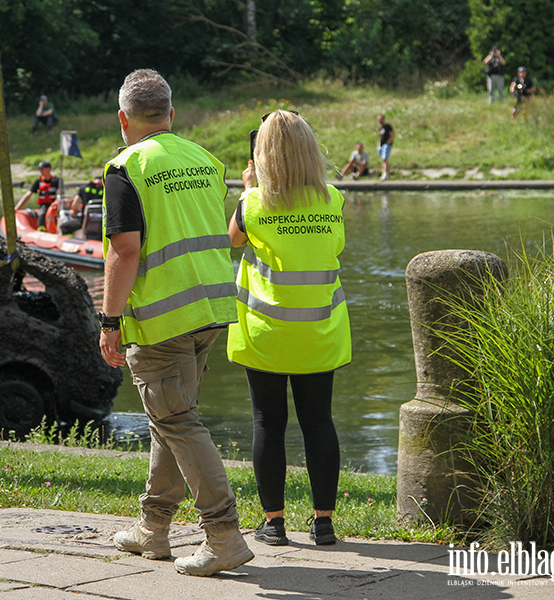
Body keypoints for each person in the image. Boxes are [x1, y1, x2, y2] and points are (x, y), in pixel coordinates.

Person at [99, 69, 253, 577]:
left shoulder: (127, 168)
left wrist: (109, 320)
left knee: (177, 421)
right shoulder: (205, 160)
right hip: (210, 310)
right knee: (169, 417)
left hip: (163, 317)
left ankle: (224, 535)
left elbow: (125, 251)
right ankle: (154, 528)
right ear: (172, 113)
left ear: (124, 119)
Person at [227, 110, 351, 548]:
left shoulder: (254, 203)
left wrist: (250, 189)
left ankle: (274, 524)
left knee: (268, 422)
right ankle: (324, 524)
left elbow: (233, 241)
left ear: (262, 153)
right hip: (319, 330)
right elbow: (332, 246)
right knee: (319, 421)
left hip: (266, 332)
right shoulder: (332, 199)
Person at [15, 160, 62, 230]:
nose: (40, 171)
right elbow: (28, 195)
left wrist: (55, 205)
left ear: (48, 169)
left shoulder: (57, 180)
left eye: (42, 169)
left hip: (55, 205)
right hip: (44, 205)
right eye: (40, 169)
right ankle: (41, 230)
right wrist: (17, 208)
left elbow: (60, 194)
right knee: (42, 213)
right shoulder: (38, 181)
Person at [377, 114, 394, 181]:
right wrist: (379, 144)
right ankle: (387, 174)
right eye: (378, 119)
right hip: (381, 146)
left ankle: (385, 174)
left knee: (385, 159)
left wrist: (388, 143)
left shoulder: (388, 127)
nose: (379, 121)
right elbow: (380, 137)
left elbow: (392, 135)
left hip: (386, 145)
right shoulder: (381, 128)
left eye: (381, 119)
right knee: (384, 160)